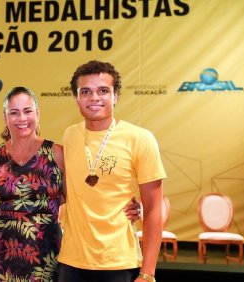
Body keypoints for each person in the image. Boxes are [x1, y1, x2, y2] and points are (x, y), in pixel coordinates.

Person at [0, 86, 142, 281]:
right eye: (14, 112)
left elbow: (80, 193)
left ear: (38, 114)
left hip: (45, 250)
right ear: (5, 117)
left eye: (28, 111)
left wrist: (132, 206)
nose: (22, 118)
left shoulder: (56, 154)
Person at [58, 61, 166, 282]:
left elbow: (155, 208)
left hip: (119, 263)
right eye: (85, 91)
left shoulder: (140, 139)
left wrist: (148, 273)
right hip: (71, 262)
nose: (94, 97)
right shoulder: (69, 136)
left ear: (116, 96)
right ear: (76, 98)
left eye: (103, 91)